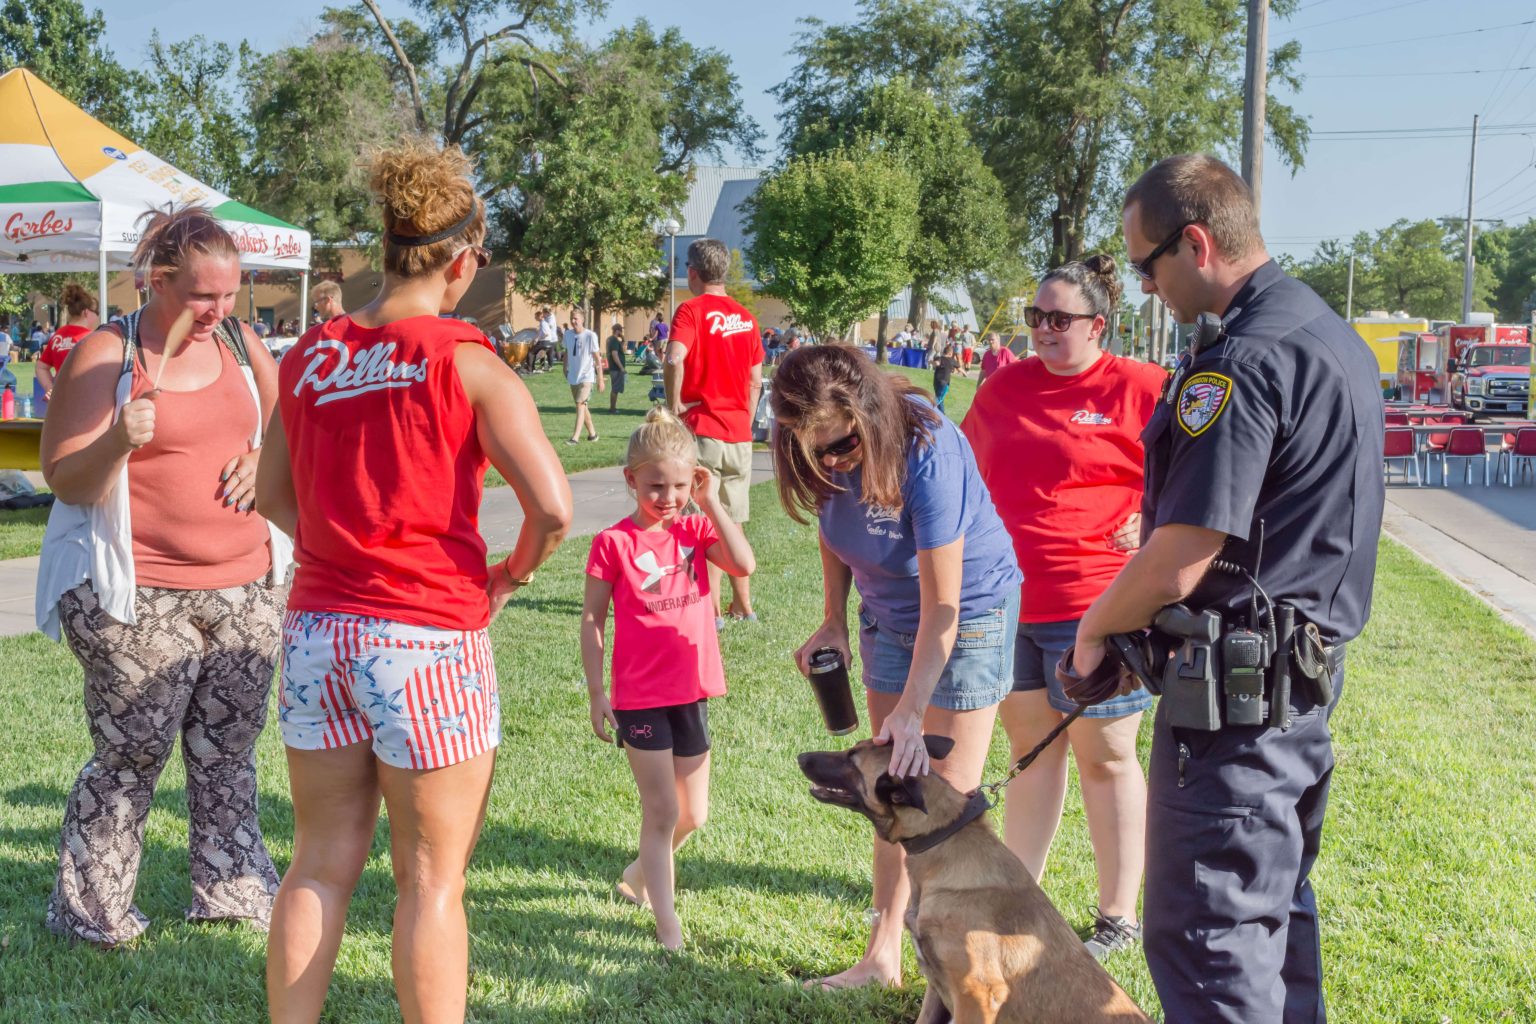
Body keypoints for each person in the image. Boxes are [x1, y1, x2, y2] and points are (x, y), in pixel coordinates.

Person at [257, 139, 573, 1024]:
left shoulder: (309, 356)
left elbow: (272, 495)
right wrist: (509, 577)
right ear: (463, 262)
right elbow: (553, 509)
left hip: (319, 631)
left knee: (317, 863)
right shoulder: (469, 361)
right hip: (428, 636)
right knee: (432, 882)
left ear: (388, 247)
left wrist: (342, 548)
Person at [1071, 154, 1385, 1021]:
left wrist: (1096, 629)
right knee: (1271, 924)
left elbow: (1182, 554)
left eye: (1147, 266)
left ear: (1196, 244)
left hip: (1235, 712)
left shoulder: (1239, 362)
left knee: (1209, 938)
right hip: (1297, 693)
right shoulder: (1327, 333)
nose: (1145, 287)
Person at [35, 206, 290, 947]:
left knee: (227, 752)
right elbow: (65, 479)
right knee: (132, 751)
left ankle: (233, 892)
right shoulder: (106, 353)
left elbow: (289, 430)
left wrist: (263, 459)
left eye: (230, 293)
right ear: (157, 280)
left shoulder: (242, 343)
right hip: (134, 592)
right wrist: (117, 438)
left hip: (245, 584)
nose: (219, 310)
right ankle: (92, 911)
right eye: (202, 295)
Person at [771, 345, 1022, 990]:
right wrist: (833, 617)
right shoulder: (818, 449)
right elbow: (834, 528)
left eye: (842, 446)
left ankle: (956, 981)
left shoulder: (927, 448)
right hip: (885, 614)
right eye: (812, 450)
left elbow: (943, 607)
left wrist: (912, 710)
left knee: (942, 800)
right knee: (887, 786)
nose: (830, 462)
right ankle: (883, 954)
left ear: (869, 414)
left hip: (966, 615)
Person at [961, 254, 1167, 961]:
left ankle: (1118, 917)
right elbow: (964, 473)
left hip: (1098, 605)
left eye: (1059, 318)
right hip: (1008, 600)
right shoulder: (1003, 387)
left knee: (1105, 756)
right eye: (1035, 317)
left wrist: (1153, 514)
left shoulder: (1141, 386)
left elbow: (1200, 476)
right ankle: (1022, 900)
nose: (1044, 329)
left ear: (1097, 325)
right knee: (1031, 752)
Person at [580, 408, 755, 951]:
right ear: (631, 480)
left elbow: (743, 564)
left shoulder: (695, 528)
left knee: (693, 815)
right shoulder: (613, 542)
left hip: (691, 689)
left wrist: (711, 500)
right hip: (640, 697)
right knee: (661, 811)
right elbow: (592, 619)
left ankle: (638, 874)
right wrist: (596, 692)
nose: (668, 497)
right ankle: (666, 924)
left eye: (680, 485)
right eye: (656, 486)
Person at [665, 238, 763, 627]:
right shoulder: (747, 317)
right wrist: (745, 420)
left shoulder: (690, 311)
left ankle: (712, 611)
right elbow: (756, 381)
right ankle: (744, 606)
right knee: (731, 519)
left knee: (704, 520)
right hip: (738, 433)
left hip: (703, 429)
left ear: (693, 272)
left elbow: (674, 356)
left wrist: (674, 405)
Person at [33, 284, 100, 418]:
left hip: (61, 401)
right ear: (86, 312)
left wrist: (49, 388)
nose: (97, 317)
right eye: (96, 313)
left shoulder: (57, 336)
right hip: (87, 403)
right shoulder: (92, 338)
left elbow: (41, 367)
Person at [564, 309, 604, 444]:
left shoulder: (590, 336)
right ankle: (593, 434)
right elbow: (567, 351)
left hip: (587, 376)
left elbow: (597, 358)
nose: (573, 321)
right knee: (583, 406)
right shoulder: (568, 335)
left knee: (580, 404)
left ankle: (575, 438)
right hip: (573, 376)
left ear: (582, 320)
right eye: (572, 318)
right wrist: (565, 367)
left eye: (576, 318)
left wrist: (600, 379)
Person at [930, 342, 966, 415]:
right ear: (950, 353)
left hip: (936, 381)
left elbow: (937, 363)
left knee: (940, 398)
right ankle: (929, 409)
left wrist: (932, 362)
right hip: (944, 382)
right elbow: (959, 368)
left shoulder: (939, 358)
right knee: (939, 398)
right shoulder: (952, 360)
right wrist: (965, 373)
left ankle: (942, 414)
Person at [606, 321, 627, 413]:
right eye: (621, 330)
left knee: (616, 388)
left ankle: (613, 407)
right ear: (617, 330)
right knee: (615, 389)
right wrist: (621, 367)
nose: (622, 332)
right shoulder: (614, 340)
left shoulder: (612, 340)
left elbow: (621, 349)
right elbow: (615, 354)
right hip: (616, 368)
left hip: (614, 368)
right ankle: (612, 408)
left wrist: (623, 339)